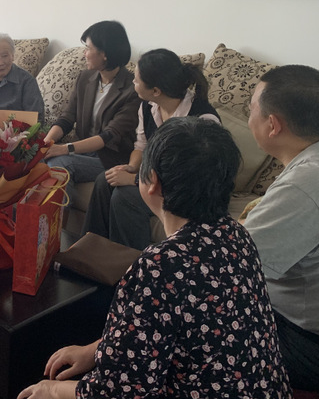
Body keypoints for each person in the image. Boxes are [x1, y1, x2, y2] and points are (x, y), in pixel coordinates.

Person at [16, 117, 294, 399]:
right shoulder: (237, 234)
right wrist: (95, 351)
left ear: (152, 182)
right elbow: (161, 329)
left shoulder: (160, 266)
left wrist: (50, 390)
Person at [244, 65, 319, 391]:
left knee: (187, 311)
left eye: (251, 108)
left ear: (273, 125)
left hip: (314, 348)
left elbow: (228, 265)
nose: (248, 116)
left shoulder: (307, 183)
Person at [81, 48, 220, 249]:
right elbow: (141, 146)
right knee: (105, 179)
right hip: (157, 181)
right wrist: (131, 167)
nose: (132, 82)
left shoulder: (202, 119)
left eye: (136, 80)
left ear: (156, 91)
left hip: (190, 192)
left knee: (125, 197)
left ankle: (128, 263)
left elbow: (187, 178)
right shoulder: (148, 107)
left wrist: (135, 180)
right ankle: (89, 252)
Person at [43, 20, 139, 184]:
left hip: (110, 157)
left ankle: (60, 203)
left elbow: (109, 135)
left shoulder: (133, 89)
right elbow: (67, 117)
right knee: (35, 159)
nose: (84, 53)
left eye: (88, 48)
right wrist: (46, 144)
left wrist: (65, 149)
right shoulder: (85, 78)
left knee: (61, 164)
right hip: (81, 150)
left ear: (105, 54)